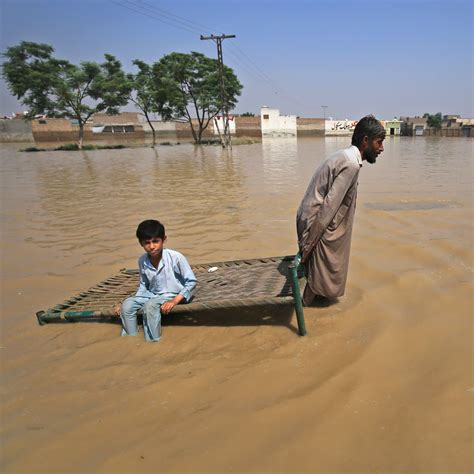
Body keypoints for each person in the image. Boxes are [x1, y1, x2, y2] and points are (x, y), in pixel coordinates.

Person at [296, 115, 385, 305]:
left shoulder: (345, 156)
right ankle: (305, 306)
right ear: (366, 141)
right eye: (379, 142)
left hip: (309, 213)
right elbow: (328, 206)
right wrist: (309, 245)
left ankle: (315, 303)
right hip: (315, 219)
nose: (382, 148)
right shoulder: (351, 164)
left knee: (325, 264)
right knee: (322, 267)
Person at [117, 219, 197, 342]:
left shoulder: (176, 257)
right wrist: (134, 300)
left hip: (173, 293)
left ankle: (154, 341)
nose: (152, 246)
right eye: (147, 243)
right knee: (127, 306)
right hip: (152, 294)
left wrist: (174, 301)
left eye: (155, 241)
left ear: (164, 239)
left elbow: (191, 282)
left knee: (150, 306)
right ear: (141, 243)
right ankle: (130, 339)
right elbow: (144, 285)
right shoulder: (142, 260)